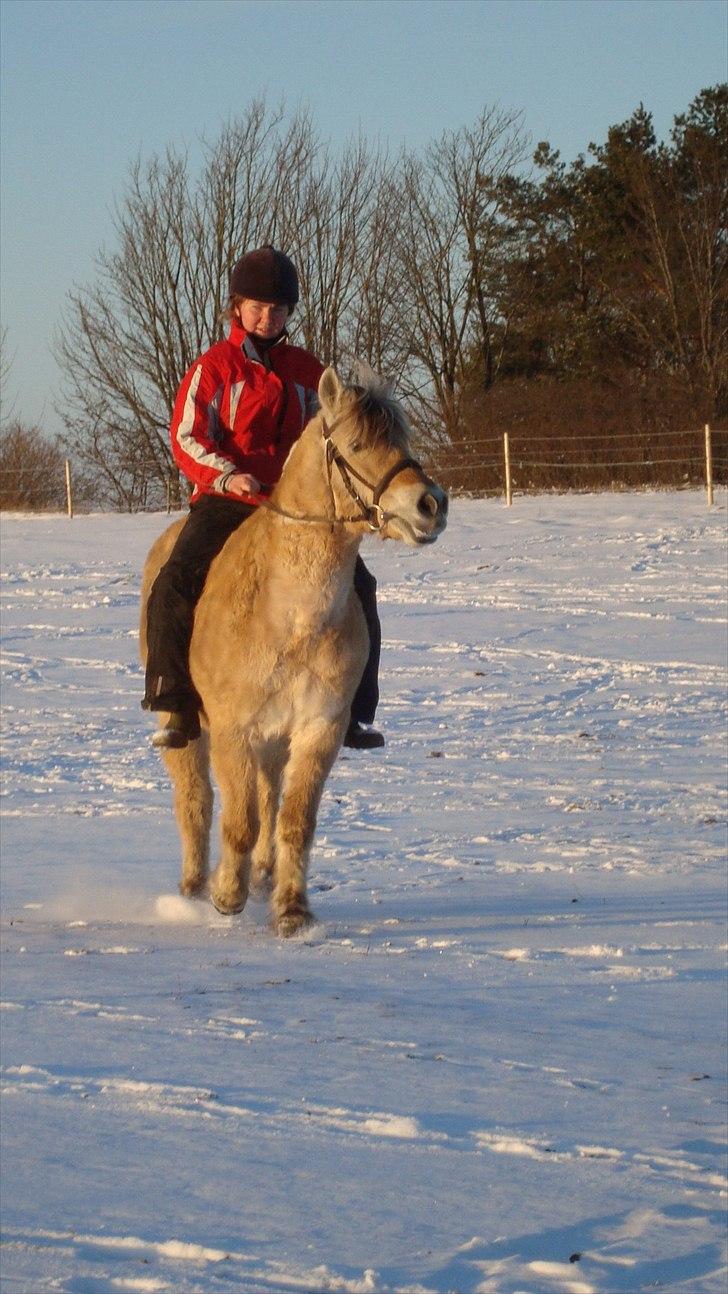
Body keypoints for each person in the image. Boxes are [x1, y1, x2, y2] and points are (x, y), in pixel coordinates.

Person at [142, 245, 385, 752]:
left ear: (289, 313)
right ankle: (177, 701)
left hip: (296, 510)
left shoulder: (308, 372)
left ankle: (355, 714)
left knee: (361, 586)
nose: (267, 316)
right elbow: (186, 437)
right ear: (236, 307)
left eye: (277, 309)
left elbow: (334, 434)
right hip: (227, 500)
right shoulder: (213, 369)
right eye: (256, 306)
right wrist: (228, 476)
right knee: (175, 579)